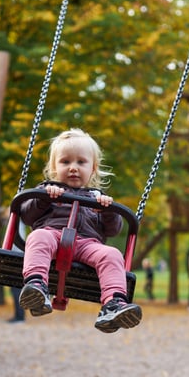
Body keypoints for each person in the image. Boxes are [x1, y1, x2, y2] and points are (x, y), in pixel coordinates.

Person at [18, 128, 142, 333]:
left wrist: (108, 210)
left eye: (81, 162)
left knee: (111, 254)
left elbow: (113, 230)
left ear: (92, 168)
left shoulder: (97, 197)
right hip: (53, 236)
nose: (73, 168)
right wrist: (44, 198)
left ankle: (114, 303)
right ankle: (36, 286)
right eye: (65, 162)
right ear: (54, 167)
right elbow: (26, 215)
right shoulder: (47, 189)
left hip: (87, 244)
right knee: (38, 236)